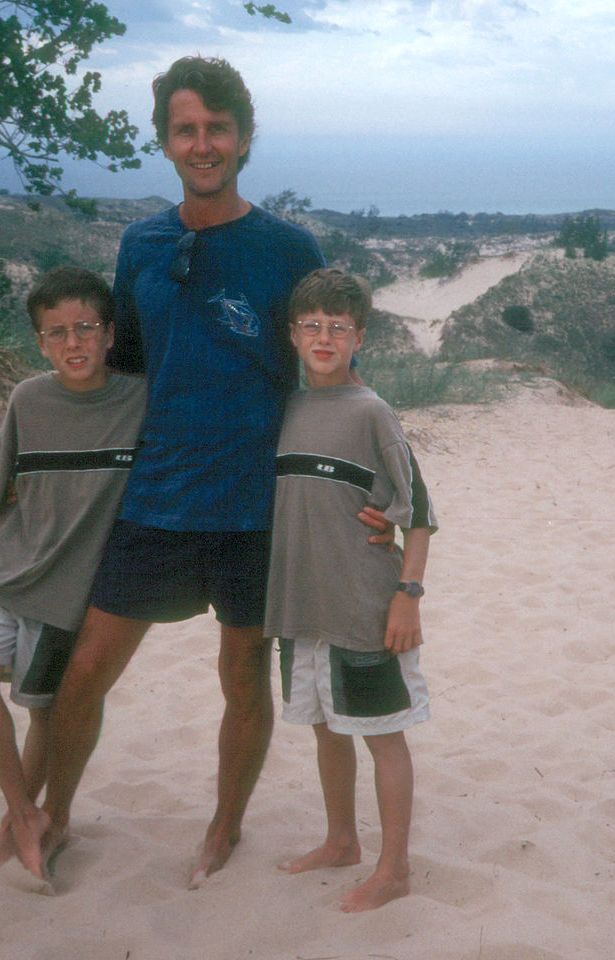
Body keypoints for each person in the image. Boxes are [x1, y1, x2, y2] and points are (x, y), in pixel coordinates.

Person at [39, 55, 390, 886]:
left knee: (242, 677)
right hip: (156, 496)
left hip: (254, 506)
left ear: (244, 138)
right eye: (186, 129)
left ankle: (224, 827)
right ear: (165, 141)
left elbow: (332, 373)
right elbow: (122, 370)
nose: (203, 144)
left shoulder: (287, 248)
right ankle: (52, 816)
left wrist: (374, 491)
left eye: (218, 129)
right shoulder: (141, 244)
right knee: (85, 671)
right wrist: (43, 457)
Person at [0, 266, 146, 882]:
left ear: (109, 333)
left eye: (85, 328)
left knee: (44, 710)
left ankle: (26, 824)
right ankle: (20, 815)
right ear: (40, 343)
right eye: (56, 333)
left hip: (70, 589)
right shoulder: (28, 400)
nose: (73, 343)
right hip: (7, 570)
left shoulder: (140, 401)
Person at [266, 268, 438, 912]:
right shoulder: (285, 407)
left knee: (382, 734)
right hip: (301, 603)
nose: (324, 338)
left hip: (365, 603)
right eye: (311, 326)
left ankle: (394, 870)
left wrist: (408, 595)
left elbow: (419, 513)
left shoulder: (372, 412)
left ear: (359, 337)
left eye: (338, 327)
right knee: (325, 727)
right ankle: (341, 841)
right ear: (292, 334)